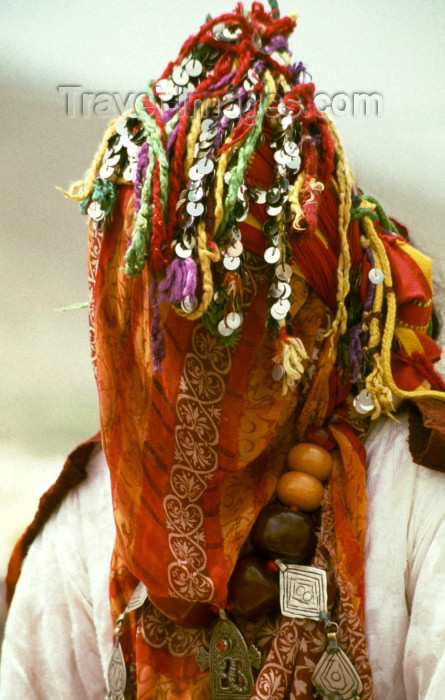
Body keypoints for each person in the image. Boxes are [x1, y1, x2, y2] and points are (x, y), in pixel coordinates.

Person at [2, 2, 445, 698]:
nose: (204, 354)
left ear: (317, 297)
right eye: (173, 314)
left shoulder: (418, 493)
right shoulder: (80, 536)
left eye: (239, 304)